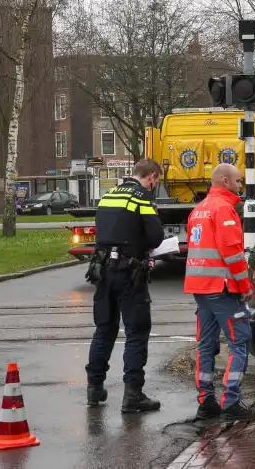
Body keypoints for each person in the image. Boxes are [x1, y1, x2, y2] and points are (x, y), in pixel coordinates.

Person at [86, 158, 165, 413]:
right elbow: (155, 237)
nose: (155, 185)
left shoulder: (108, 196)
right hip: (129, 273)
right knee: (136, 331)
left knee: (104, 330)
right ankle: (133, 395)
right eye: (156, 181)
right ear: (151, 177)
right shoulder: (142, 197)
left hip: (102, 270)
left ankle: (94, 388)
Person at [184, 163, 255, 422]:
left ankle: (206, 401)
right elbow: (233, 253)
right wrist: (245, 286)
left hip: (200, 288)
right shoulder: (224, 209)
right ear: (225, 181)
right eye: (238, 181)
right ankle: (231, 401)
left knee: (206, 345)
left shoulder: (198, 210)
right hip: (221, 288)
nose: (241, 186)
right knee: (240, 341)